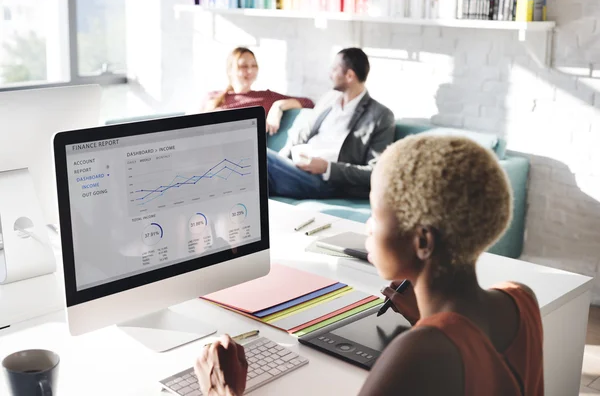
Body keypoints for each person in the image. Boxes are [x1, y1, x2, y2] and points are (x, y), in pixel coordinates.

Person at [193, 135, 544, 396]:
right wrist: (427, 320)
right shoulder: (521, 300)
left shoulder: (418, 352)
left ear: (422, 242)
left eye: (376, 214)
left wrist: (221, 391)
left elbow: (445, 356)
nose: (367, 227)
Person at [267, 47, 395, 200]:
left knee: (259, 157)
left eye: (334, 69)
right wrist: (281, 160)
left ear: (349, 75)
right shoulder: (328, 100)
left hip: (328, 182)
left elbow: (376, 171)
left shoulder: (380, 116)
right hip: (298, 170)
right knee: (258, 178)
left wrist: (327, 168)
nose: (330, 74)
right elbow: (302, 135)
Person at [200, 47, 315, 134]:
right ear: (230, 70)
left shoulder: (265, 98)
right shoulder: (212, 97)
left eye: (254, 66)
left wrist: (278, 106)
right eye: (244, 66)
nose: (250, 71)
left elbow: (308, 103)